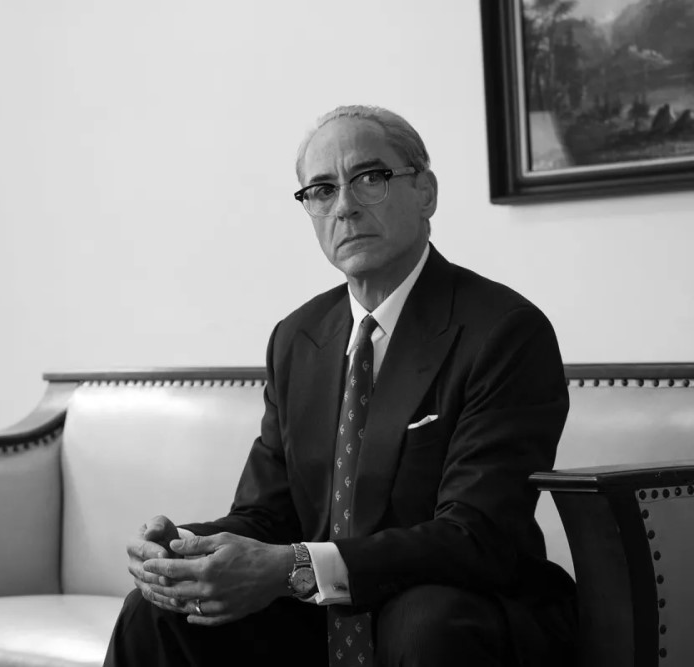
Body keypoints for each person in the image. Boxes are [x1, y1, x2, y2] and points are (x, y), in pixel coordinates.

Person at [103, 105, 577, 667]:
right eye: (323, 190)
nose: (345, 206)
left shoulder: (504, 331)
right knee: (156, 610)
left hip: (463, 607)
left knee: (422, 623)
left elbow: (476, 536)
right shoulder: (297, 338)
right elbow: (267, 517)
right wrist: (184, 549)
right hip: (322, 614)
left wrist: (297, 567)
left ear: (425, 192)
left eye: (370, 178)